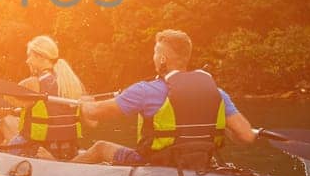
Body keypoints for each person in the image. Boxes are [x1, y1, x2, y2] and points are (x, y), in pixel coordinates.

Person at [73, 29, 256, 167]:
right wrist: (219, 127)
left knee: (100, 147)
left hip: (156, 164)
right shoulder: (216, 93)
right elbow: (246, 136)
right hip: (201, 163)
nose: (153, 57)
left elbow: (95, 113)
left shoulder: (145, 91)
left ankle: (59, 168)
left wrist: (84, 103)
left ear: (162, 59)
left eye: (155, 53)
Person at [0, 35, 88, 160]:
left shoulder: (32, 83)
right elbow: (92, 122)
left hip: (35, 151)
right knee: (13, 121)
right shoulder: (72, 83)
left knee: (5, 121)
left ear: (39, 57)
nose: (27, 61)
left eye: (29, 56)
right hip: (68, 151)